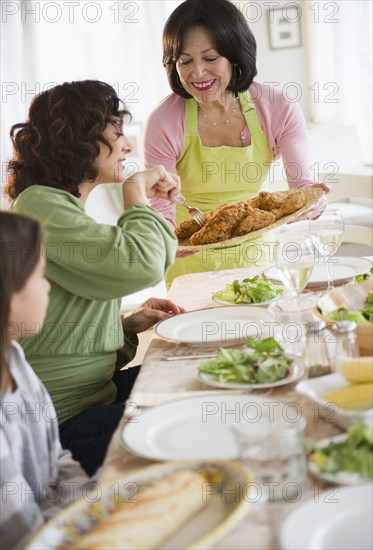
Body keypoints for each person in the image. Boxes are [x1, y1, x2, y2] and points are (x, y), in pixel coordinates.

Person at [5, 80, 185, 476]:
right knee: (197, 414)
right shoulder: (41, 205)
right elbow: (145, 262)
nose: (128, 148)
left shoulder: (56, 205)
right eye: (117, 134)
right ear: (79, 139)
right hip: (64, 425)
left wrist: (124, 327)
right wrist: (136, 191)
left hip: (91, 398)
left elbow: (62, 334)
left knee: (193, 376)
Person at [144, 0, 328, 285]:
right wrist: (166, 239)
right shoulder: (164, 121)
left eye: (210, 58)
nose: (198, 73)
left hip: (258, 258)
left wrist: (312, 203)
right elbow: (161, 207)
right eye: (185, 61)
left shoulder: (277, 107)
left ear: (234, 55)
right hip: (191, 263)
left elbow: (302, 189)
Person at [0, 211, 91, 549]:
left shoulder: (14, 359)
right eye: (40, 276)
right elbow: (28, 538)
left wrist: (94, 509)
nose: (48, 286)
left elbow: (57, 460)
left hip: (64, 525)